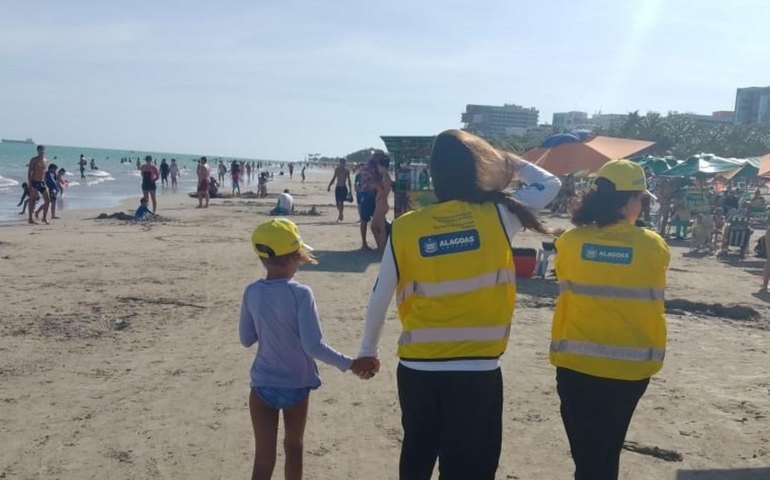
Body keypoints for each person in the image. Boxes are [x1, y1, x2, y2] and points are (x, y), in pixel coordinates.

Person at [358, 130, 560, 480]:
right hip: (478, 370)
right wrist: (499, 157)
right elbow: (549, 183)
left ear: (434, 176)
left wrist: (368, 350)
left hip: (419, 369)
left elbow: (381, 294)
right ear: (477, 168)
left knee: (417, 455)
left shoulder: (407, 227)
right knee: (471, 467)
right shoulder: (499, 215)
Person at [550, 159, 670, 480]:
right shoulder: (654, 247)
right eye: (641, 199)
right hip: (629, 371)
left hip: (575, 366)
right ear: (628, 200)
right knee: (605, 450)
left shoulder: (569, 242)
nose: (642, 206)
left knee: (587, 455)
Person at [240, 219, 375, 480]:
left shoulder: (252, 292)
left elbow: (246, 339)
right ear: (295, 256)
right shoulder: (301, 294)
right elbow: (313, 346)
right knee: (294, 448)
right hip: (296, 385)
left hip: (262, 385)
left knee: (263, 459)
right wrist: (352, 364)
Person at [371, 155, 392, 251]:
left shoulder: (387, 178)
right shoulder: (383, 177)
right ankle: (380, 246)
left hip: (382, 205)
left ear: (384, 167)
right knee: (375, 227)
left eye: (379, 167)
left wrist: (377, 187)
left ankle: (382, 248)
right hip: (379, 205)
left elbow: (385, 193)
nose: (378, 169)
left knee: (380, 228)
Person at [28, 145, 50, 225]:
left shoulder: (46, 160)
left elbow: (45, 173)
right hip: (34, 182)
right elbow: (30, 172)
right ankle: (30, 219)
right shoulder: (34, 160)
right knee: (32, 201)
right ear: (37, 151)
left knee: (47, 200)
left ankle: (44, 218)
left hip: (42, 183)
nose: (42, 152)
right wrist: (30, 184)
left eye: (43, 151)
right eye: (40, 151)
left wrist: (46, 183)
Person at [327, 158, 352, 222]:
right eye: (342, 163)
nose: (343, 164)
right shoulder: (337, 170)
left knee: (341, 202)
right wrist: (329, 186)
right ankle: (341, 214)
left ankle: (340, 215)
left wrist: (350, 189)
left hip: (343, 188)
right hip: (338, 187)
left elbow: (349, 180)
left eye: (344, 163)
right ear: (340, 163)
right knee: (337, 204)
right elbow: (334, 178)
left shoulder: (347, 171)